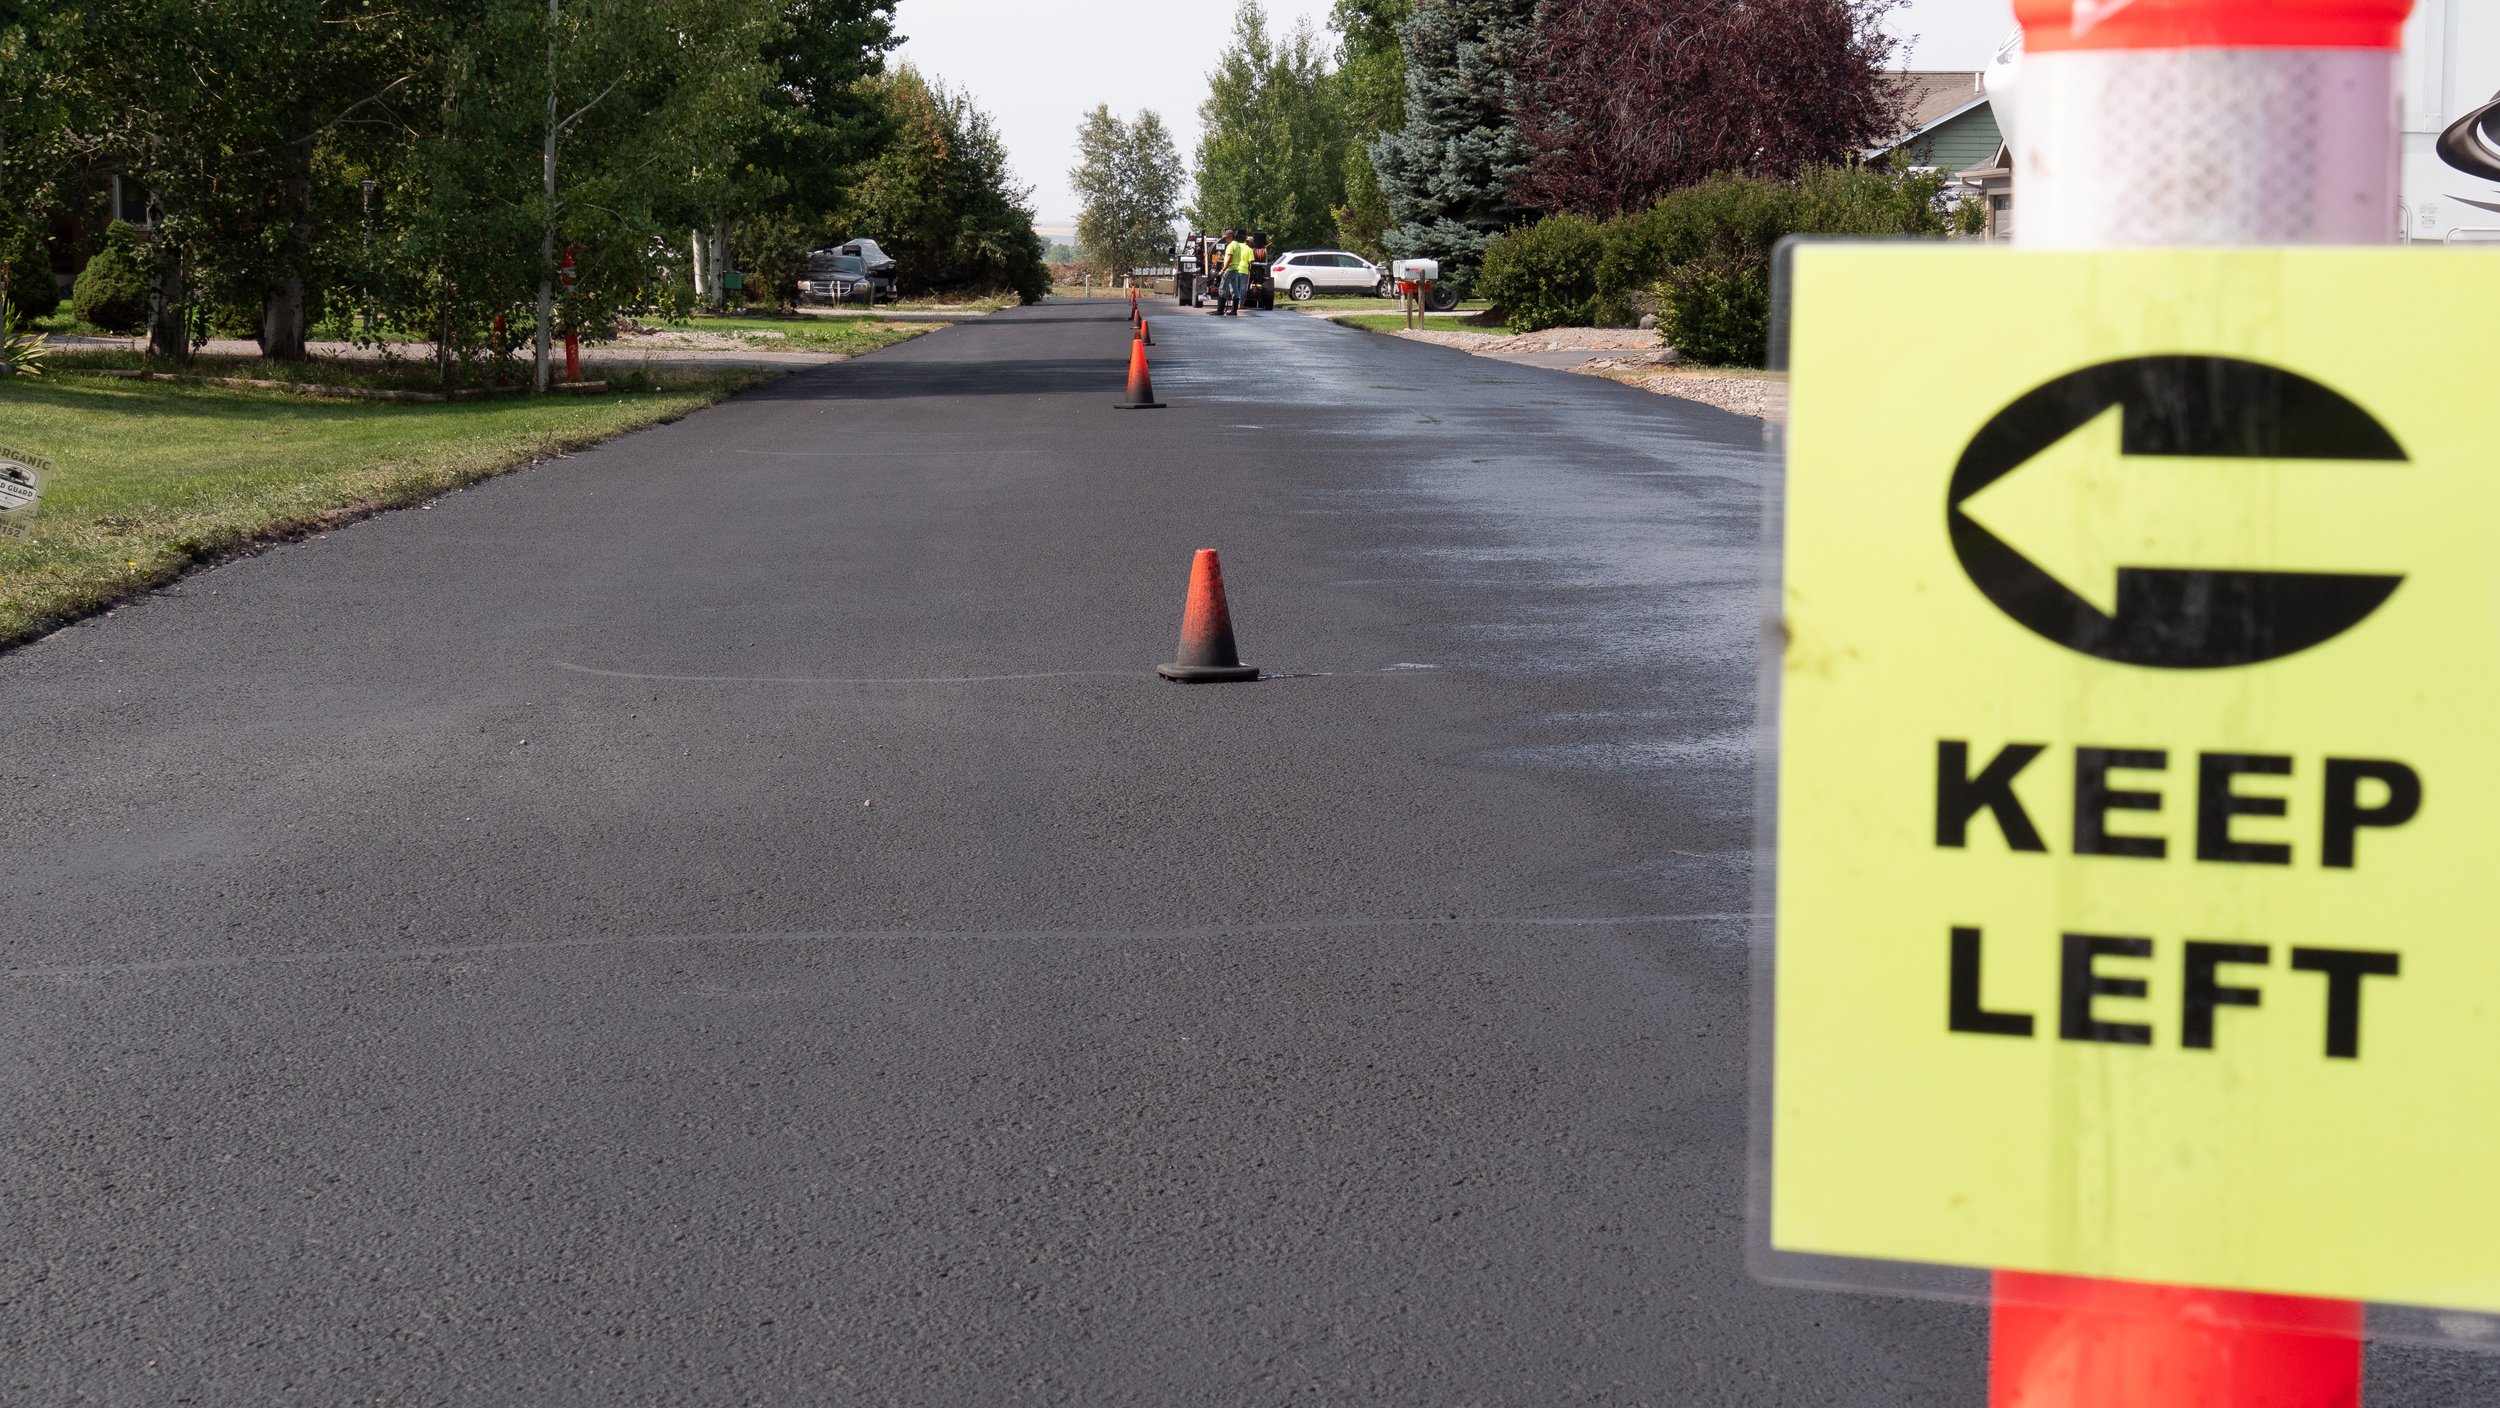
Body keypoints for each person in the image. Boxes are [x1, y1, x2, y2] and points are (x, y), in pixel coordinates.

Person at [1220, 230, 1254, 316]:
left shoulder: (1234, 245)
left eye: (1226, 237)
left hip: (1231, 268)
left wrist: (1223, 269)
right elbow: (1250, 263)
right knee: (1238, 290)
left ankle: (1220, 310)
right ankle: (1236, 308)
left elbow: (1229, 258)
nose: (1225, 239)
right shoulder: (1239, 245)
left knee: (1223, 288)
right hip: (1239, 269)